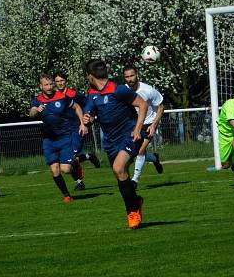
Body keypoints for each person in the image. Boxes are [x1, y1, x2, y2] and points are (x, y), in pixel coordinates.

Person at [82, 59, 148, 229]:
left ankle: (132, 212)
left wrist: (138, 128)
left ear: (90, 76)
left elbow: (142, 104)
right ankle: (136, 201)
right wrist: (86, 121)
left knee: (119, 167)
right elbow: (90, 116)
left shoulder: (118, 89)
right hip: (110, 142)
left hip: (128, 135)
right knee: (120, 174)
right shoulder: (92, 94)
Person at [30, 74, 87, 203]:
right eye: (46, 85)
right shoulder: (37, 100)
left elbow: (77, 107)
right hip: (49, 139)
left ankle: (75, 164)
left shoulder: (62, 97)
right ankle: (67, 195)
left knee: (66, 169)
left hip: (65, 137)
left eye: (51, 84)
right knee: (54, 169)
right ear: (41, 86)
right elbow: (31, 112)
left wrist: (82, 124)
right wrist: (36, 110)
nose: (50, 87)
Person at [54, 71, 101, 190]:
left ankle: (80, 182)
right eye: (57, 81)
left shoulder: (73, 94)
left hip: (77, 129)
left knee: (71, 158)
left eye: (62, 81)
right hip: (63, 132)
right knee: (65, 162)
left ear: (66, 81)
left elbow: (89, 105)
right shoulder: (54, 97)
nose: (60, 83)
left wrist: (85, 122)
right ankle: (88, 157)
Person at [123, 64, 165, 189]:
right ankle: (154, 158)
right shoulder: (123, 90)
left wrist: (154, 124)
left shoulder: (148, 90)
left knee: (141, 150)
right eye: (127, 77)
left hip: (148, 123)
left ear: (137, 75)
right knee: (134, 152)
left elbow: (161, 106)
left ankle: (135, 180)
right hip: (133, 124)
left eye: (132, 75)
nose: (130, 79)